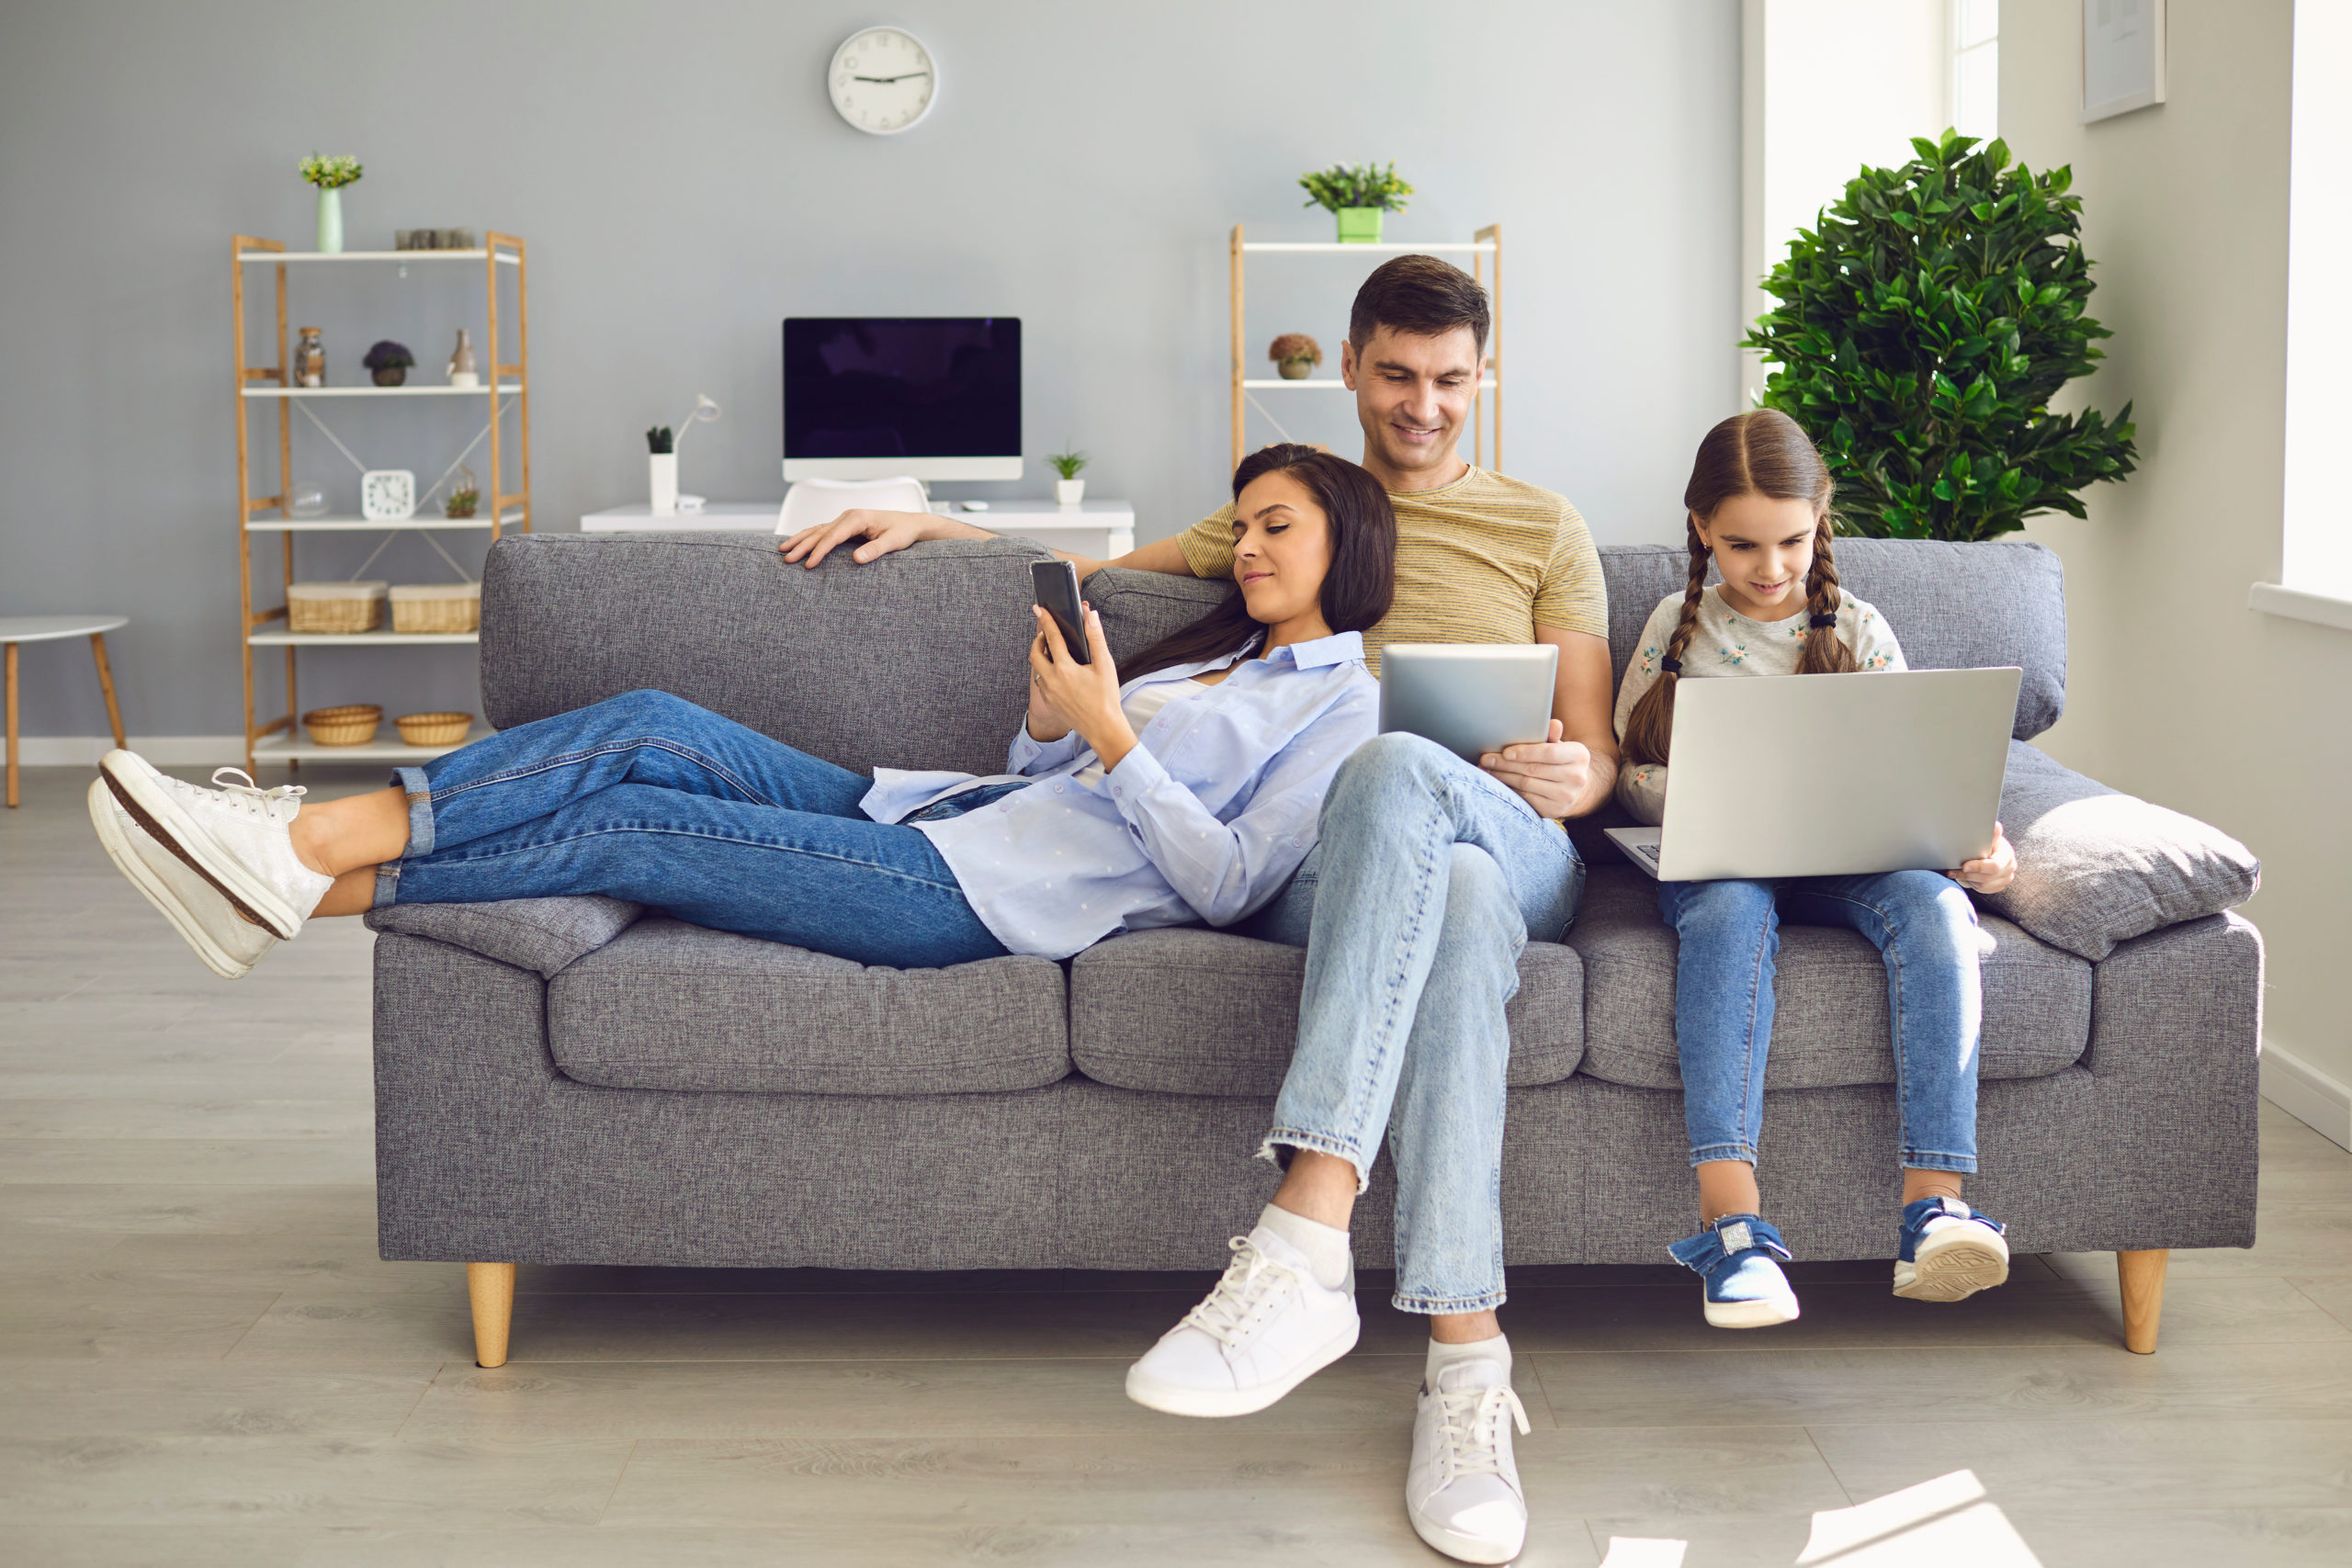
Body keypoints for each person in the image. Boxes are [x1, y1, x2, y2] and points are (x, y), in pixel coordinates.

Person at [783, 256, 1615, 1566]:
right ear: (1349, 368)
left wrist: (1584, 768)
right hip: (1342, 868)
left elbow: (1598, 742)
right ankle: (1467, 1374)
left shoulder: (1543, 526)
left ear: (1483, 377)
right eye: (1397, 375)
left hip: (1508, 836)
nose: (1423, 406)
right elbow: (1106, 570)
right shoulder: (1283, 518)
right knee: (1424, 872)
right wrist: (945, 531)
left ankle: (1304, 1246)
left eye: (1451, 380)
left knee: (1410, 776)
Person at [87, 446, 1391, 977]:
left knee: (640, 822)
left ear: (1354, 540)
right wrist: (1060, 720)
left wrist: (1109, 734)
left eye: (1279, 526)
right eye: (1247, 525)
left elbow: (1227, 885)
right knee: (651, 720)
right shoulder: (1209, 650)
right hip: (943, 815)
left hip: (969, 899)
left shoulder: (1342, 709)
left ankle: (295, 863)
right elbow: (1035, 768)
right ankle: (290, 861)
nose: (1247, 547)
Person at [1612, 409, 2018, 1330]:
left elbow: (1920, 770)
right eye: (1741, 545)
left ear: (1820, 523)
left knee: (1936, 910)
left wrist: (1977, 848)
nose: (1767, 568)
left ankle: (1935, 1209)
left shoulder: (1861, 630)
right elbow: (1626, 769)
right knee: (1723, 914)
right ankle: (1732, 1227)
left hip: (1851, 860)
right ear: (1701, 531)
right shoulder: (1674, 627)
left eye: (1791, 541)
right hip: (1722, 857)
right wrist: (1696, 796)